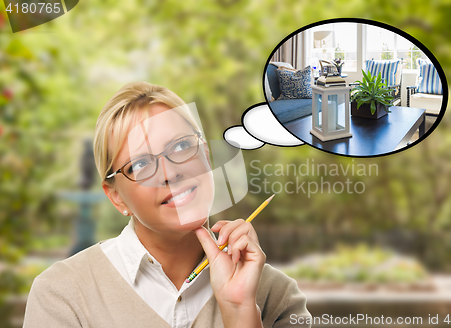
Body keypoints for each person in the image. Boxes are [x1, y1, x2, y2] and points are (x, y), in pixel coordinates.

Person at [23, 82, 311, 328]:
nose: (170, 173)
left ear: (206, 156)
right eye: (140, 163)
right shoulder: (62, 294)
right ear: (116, 196)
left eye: (182, 146)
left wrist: (239, 313)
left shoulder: (276, 295)